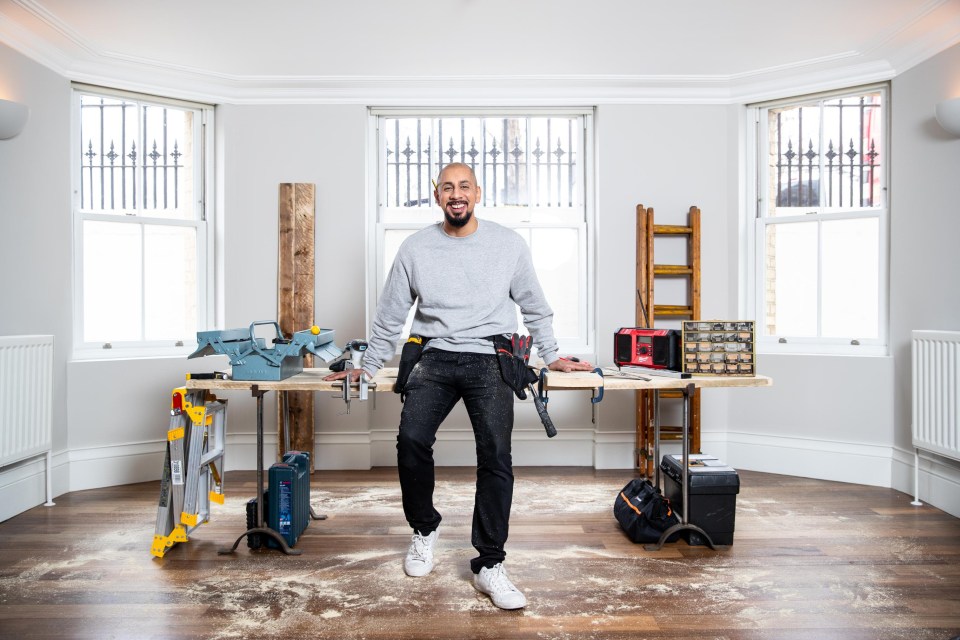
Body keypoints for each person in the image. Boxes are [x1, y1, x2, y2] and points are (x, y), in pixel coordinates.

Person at [325, 162, 593, 610]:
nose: (456, 194)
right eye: (447, 187)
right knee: (411, 438)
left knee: (495, 453)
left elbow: (535, 306)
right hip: (434, 355)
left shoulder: (508, 245)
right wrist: (367, 367)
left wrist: (551, 355)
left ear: (477, 194)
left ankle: (490, 563)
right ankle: (424, 528)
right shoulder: (415, 248)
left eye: (464, 186)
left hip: (491, 356)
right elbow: (391, 315)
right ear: (437, 197)